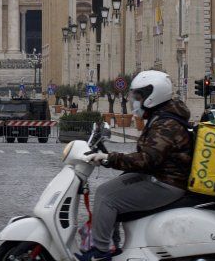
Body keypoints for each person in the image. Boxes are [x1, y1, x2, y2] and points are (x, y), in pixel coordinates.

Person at [77, 70, 192, 261]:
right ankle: (111, 244)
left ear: (151, 97)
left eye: (138, 97)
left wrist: (109, 158)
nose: (134, 101)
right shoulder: (162, 117)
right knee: (107, 189)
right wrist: (108, 158)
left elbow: (147, 159)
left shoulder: (167, 124)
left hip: (168, 183)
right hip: (159, 176)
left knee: (108, 199)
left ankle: (101, 251)